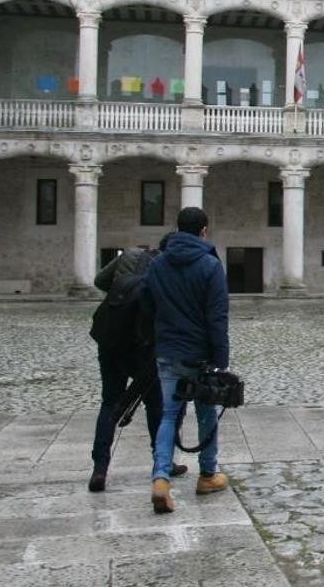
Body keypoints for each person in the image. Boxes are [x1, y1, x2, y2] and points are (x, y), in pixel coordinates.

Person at [142, 206, 230, 515]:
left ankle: (161, 478)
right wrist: (221, 360)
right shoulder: (210, 265)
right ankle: (207, 475)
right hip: (201, 354)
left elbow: (148, 305)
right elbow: (217, 317)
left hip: (168, 351)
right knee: (206, 415)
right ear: (204, 230)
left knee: (168, 416)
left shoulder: (157, 264)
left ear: (178, 229)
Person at [87, 246, 186, 492]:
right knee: (156, 405)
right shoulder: (166, 268)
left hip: (111, 338)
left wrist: (122, 297)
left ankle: (100, 468)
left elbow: (100, 280)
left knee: (110, 401)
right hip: (142, 345)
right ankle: (162, 463)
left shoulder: (130, 254)